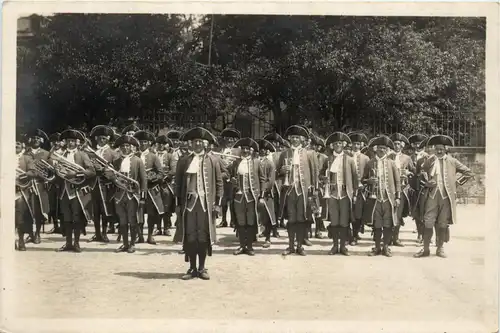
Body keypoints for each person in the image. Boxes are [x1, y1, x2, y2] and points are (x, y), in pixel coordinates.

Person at [174, 127, 223, 280]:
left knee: (203, 236)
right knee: (190, 236)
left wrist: (217, 204)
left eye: (200, 142)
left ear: (205, 144)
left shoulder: (213, 160)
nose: (197, 144)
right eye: (195, 142)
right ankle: (192, 268)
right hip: (189, 204)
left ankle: (202, 268)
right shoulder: (184, 160)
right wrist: (178, 204)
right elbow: (178, 184)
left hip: (205, 205)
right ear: (191, 144)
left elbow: (219, 183)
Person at [414, 135, 473, 258]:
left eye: (441, 149)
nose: (439, 151)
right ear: (434, 149)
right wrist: (426, 182)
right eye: (437, 149)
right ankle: (425, 249)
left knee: (442, 223)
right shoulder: (429, 160)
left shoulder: (452, 161)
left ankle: (440, 249)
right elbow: (421, 173)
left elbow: (468, 173)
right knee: (428, 222)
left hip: (446, 198)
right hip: (431, 196)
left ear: (446, 149)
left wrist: (455, 184)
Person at [276, 125, 318, 256]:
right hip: (289, 190)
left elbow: (314, 173)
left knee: (301, 218)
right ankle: (290, 246)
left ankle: (300, 246)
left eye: (297, 137)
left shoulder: (310, 154)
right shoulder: (284, 153)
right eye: (293, 137)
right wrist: (282, 171)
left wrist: (314, 190)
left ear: (302, 139)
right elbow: (278, 173)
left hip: (303, 191)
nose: (295, 140)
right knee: (291, 219)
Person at [53, 129, 96, 253]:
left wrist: (76, 173)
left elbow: (92, 171)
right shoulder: (61, 155)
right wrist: (56, 171)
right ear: (65, 142)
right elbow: (57, 172)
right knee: (66, 217)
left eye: (73, 141)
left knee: (76, 216)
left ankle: (76, 243)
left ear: (77, 142)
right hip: (64, 190)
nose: (70, 143)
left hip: (77, 190)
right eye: (68, 141)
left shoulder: (82, 155)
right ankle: (67, 243)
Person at [106, 135, 147, 253]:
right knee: (122, 220)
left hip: (132, 195)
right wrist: (111, 176)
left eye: (127, 146)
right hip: (119, 195)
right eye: (123, 146)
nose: (125, 148)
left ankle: (132, 244)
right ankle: (124, 243)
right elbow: (110, 175)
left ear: (131, 147)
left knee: (132, 219)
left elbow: (143, 180)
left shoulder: (138, 161)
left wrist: (143, 197)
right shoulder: (116, 161)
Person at [320, 132, 358, 255]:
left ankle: (343, 247)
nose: (337, 145)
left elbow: (355, 178)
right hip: (332, 194)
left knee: (344, 221)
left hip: (345, 193)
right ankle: (335, 246)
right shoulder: (328, 159)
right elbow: (320, 175)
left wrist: (355, 194)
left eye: (340, 143)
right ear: (332, 145)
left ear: (344, 145)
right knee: (335, 221)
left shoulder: (350, 160)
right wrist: (323, 179)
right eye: (335, 143)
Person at [363, 135, 401, 257]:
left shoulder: (392, 163)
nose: (381, 150)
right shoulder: (370, 163)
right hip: (375, 198)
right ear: (376, 149)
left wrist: (398, 197)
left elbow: (397, 181)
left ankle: (386, 247)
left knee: (388, 223)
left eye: (384, 148)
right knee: (377, 224)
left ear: (387, 150)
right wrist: (369, 181)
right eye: (379, 148)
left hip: (388, 198)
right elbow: (363, 179)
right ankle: (377, 247)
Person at [230, 138, 265, 255]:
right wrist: (231, 180)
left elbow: (262, 179)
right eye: (243, 149)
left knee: (250, 221)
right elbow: (228, 175)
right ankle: (241, 246)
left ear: (251, 151)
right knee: (240, 222)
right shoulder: (235, 163)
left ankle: (249, 246)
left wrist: (261, 196)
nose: (245, 151)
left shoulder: (256, 162)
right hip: (238, 196)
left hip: (251, 197)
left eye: (247, 149)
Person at [87, 125, 119, 243]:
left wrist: (105, 171)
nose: (102, 140)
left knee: (105, 210)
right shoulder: (91, 152)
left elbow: (116, 170)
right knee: (95, 211)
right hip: (93, 184)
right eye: (100, 138)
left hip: (106, 185)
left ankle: (104, 233)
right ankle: (96, 233)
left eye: (104, 138)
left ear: (108, 139)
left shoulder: (113, 153)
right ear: (96, 138)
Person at [134, 130, 164, 245]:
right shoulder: (134, 156)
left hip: (151, 189)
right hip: (137, 189)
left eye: (145, 142)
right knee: (138, 212)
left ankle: (150, 235)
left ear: (149, 143)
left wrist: (153, 178)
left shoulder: (153, 157)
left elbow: (161, 173)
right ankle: (139, 235)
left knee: (152, 213)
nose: (142, 144)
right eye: (140, 142)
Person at [24, 129, 51, 244]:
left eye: (38, 138)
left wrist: (47, 178)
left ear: (42, 141)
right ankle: (30, 233)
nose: (35, 140)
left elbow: (51, 171)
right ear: (30, 140)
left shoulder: (46, 154)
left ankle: (38, 233)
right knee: (27, 209)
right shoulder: (25, 153)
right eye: (33, 138)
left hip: (41, 185)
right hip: (27, 185)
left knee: (39, 210)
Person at [389, 133, 416, 247]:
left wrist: (409, 173)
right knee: (389, 213)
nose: (396, 146)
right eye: (394, 144)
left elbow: (414, 171)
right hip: (390, 188)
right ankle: (387, 238)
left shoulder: (407, 158)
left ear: (402, 146)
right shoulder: (388, 157)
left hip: (402, 188)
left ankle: (396, 238)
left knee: (398, 214)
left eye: (399, 144)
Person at [347, 132, 369, 245]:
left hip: (360, 190)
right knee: (347, 211)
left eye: (358, 144)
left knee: (358, 213)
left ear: (361, 145)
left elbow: (368, 175)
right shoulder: (346, 156)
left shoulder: (366, 158)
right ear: (350, 145)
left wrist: (364, 182)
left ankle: (355, 235)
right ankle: (348, 235)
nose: (356, 146)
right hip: (347, 189)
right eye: (354, 144)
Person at [256, 139, 278, 247]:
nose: (262, 151)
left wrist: (263, 193)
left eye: (264, 150)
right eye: (260, 149)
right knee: (255, 216)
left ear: (267, 152)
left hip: (266, 195)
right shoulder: (254, 162)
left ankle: (268, 238)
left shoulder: (270, 164)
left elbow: (271, 180)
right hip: (254, 193)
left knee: (267, 216)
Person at [407, 134, 429, 243]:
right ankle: (419, 234)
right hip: (413, 188)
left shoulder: (428, 157)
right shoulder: (409, 158)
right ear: (413, 145)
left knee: (425, 212)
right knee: (416, 212)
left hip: (425, 188)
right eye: (416, 144)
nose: (418, 146)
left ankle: (425, 235)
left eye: (420, 144)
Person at [217, 128, 241, 228]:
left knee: (232, 199)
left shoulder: (238, 151)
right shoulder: (220, 150)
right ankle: (223, 220)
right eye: (228, 138)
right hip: (223, 177)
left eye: (232, 139)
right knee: (223, 200)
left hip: (233, 177)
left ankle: (232, 220)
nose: (230, 140)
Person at [15, 134, 35, 251]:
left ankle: (21, 240)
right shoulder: (5, 155)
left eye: (18, 143)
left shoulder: (27, 158)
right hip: (8, 190)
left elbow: (33, 172)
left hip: (21, 191)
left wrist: (25, 175)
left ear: (22, 145)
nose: (15, 145)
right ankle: (11, 241)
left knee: (20, 217)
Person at [156, 135, 175, 236]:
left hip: (166, 184)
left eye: (163, 144)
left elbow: (173, 169)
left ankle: (166, 227)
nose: (160, 146)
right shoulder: (153, 155)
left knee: (166, 206)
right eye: (159, 144)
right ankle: (158, 228)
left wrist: (167, 177)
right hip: (155, 184)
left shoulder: (169, 156)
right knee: (157, 206)